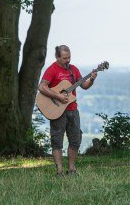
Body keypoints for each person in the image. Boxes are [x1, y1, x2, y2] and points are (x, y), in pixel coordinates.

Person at [38, 45, 97, 176]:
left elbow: (84, 86)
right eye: (65, 58)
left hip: (72, 109)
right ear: (58, 57)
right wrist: (57, 95)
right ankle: (59, 171)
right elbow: (41, 87)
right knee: (57, 141)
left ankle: (71, 169)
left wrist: (92, 78)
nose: (68, 60)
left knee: (75, 140)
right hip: (57, 111)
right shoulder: (52, 69)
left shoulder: (74, 70)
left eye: (69, 57)